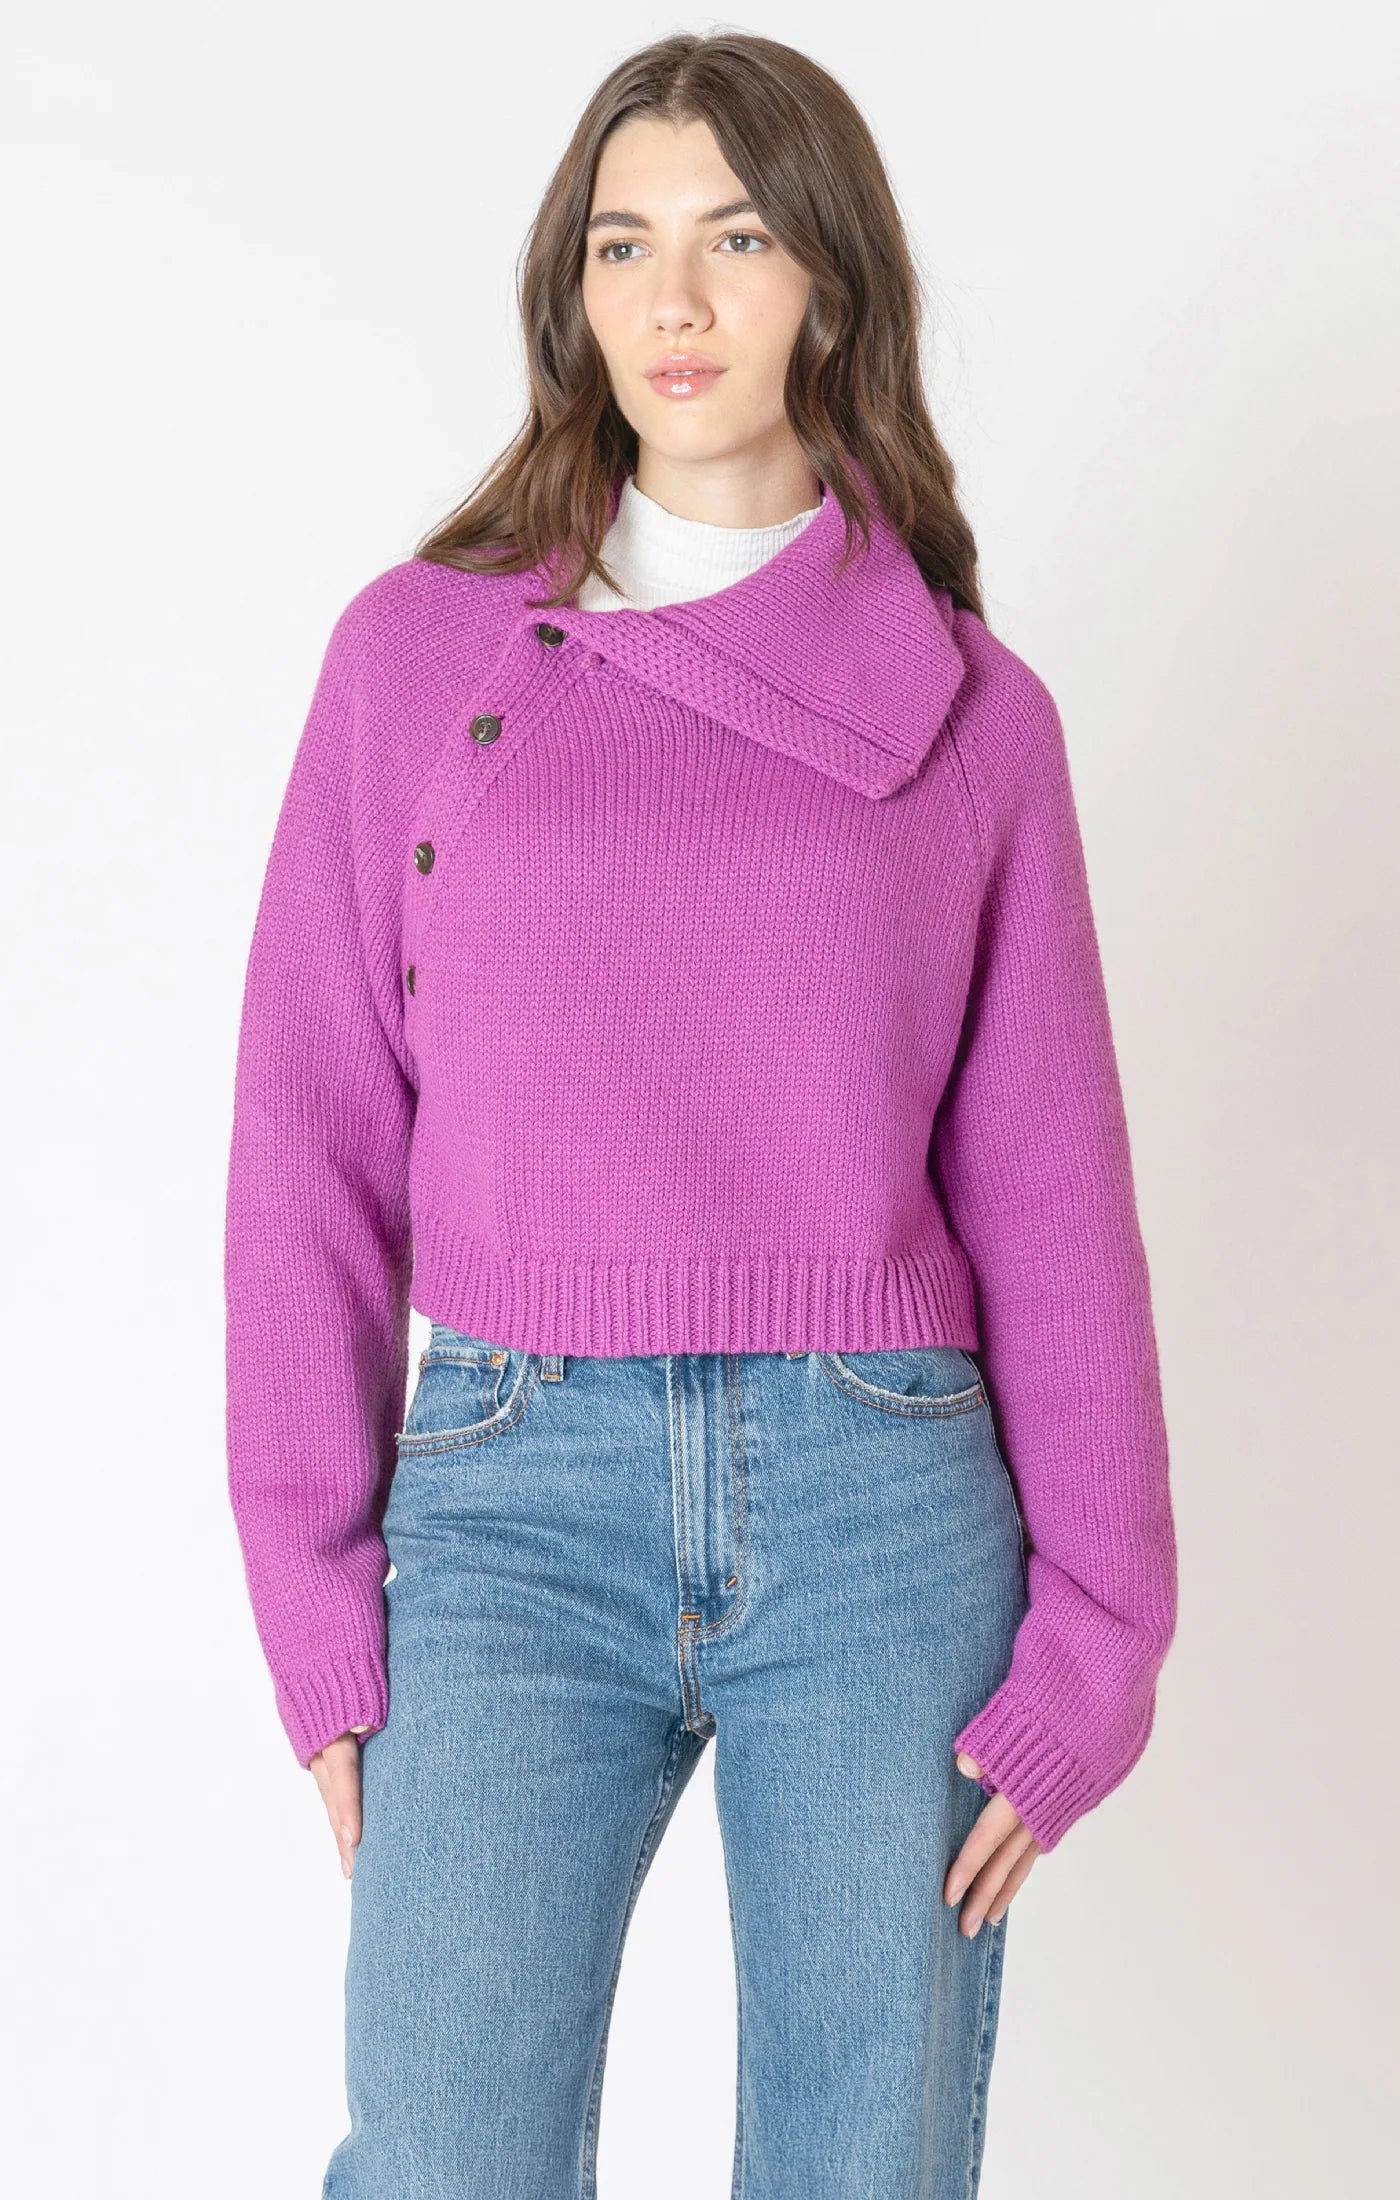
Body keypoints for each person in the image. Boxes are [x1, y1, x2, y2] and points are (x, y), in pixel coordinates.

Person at [223, 29, 1178, 2198]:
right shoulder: (419, 661)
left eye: (734, 241)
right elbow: (309, 1137)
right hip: (512, 1495)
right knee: (442, 2154)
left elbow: (1053, 1197)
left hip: (881, 1501)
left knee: (862, 2163)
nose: (672, 300)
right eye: (622, 246)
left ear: (827, 277)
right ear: (570, 289)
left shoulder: (971, 713)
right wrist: (314, 1597)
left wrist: (1101, 1640)